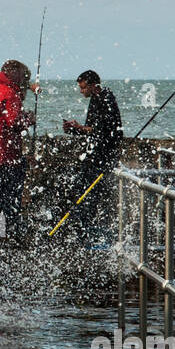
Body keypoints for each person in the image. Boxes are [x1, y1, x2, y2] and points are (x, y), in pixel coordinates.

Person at [61, 70, 124, 242]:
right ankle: (84, 232)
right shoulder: (97, 98)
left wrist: (79, 127)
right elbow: (91, 131)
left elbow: (102, 130)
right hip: (95, 156)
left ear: (92, 85)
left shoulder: (105, 99)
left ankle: (89, 235)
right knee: (80, 193)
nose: (81, 91)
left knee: (90, 198)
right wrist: (74, 129)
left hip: (103, 159)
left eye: (82, 88)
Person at [0, 60, 37, 241]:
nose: (25, 79)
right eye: (24, 76)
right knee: (11, 197)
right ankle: (11, 235)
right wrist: (29, 119)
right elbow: (14, 123)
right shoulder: (11, 94)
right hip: (7, 155)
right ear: (15, 75)